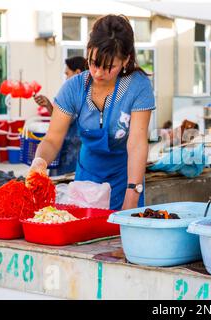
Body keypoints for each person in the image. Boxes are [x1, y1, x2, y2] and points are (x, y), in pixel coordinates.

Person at [28, 15, 155, 210]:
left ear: (126, 60)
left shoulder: (138, 87)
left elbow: (137, 143)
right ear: (88, 52)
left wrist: (132, 194)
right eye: (94, 63)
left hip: (125, 179)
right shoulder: (73, 88)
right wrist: (39, 163)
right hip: (86, 181)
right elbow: (52, 139)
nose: (98, 73)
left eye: (109, 67)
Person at [33, 56, 87, 176]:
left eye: (67, 73)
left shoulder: (85, 97)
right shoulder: (69, 94)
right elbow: (62, 120)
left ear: (78, 73)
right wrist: (48, 105)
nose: (66, 78)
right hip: (64, 152)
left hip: (75, 157)